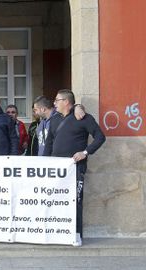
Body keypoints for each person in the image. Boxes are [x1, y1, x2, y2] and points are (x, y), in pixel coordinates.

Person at [44, 89, 106, 246]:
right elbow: (49, 143)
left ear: (66, 102)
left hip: (76, 168)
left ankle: (76, 234)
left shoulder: (83, 117)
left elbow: (100, 137)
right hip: (56, 169)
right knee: (55, 200)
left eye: (57, 100)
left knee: (76, 201)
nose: (54, 103)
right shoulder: (55, 119)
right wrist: (44, 163)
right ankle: (57, 232)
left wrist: (85, 152)